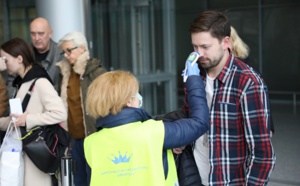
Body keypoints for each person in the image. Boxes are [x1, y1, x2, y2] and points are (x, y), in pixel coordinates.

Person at [185, 10, 276, 185]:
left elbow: (262, 153)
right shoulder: (195, 73)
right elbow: (190, 115)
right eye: (195, 47)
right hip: (195, 176)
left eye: (205, 46)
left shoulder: (248, 82)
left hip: (228, 180)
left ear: (226, 42)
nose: (198, 54)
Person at [83, 66, 209, 185]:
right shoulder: (153, 132)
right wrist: (193, 80)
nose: (139, 97)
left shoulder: (91, 143)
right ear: (128, 101)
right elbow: (199, 123)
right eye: (136, 93)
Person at [0, 37, 67, 186]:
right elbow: (17, 119)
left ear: (19, 58)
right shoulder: (22, 83)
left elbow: (60, 113)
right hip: (28, 151)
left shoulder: (39, 82)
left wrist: (29, 119)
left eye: (5, 58)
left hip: (37, 153)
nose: (3, 63)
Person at [56, 31, 106, 186]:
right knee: (78, 181)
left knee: (97, 179)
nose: (65, 55)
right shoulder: (64, 73)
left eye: (69, 50)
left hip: (94, 136)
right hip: (72, 140)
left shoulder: (97, 72)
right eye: (63, 52)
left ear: (82, 48)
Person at [230, 26, 275, 137]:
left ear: (231, 41)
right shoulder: (205, 66)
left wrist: (269, 126)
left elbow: (261, 97)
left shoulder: (247, 65)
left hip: (245, 123)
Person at [3, 17, 62, 98]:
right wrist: (17, 107)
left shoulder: (62, 54)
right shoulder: (23, 52)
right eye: (33, 34)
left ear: (50, 33)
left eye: (41, 34)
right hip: (25, 105)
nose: (37, 38)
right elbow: (11, 83)